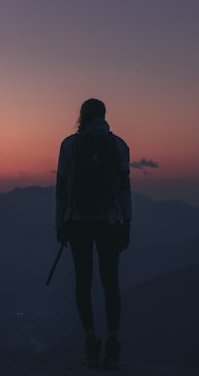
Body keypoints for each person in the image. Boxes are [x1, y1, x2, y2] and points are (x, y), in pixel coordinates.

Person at [55, 98, 132, 369]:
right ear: (104, 116)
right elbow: (124, 188)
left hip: (78, 222)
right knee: (110, 283)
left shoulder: (70, 145)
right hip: (110, 221)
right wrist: (127, 223)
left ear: (82, 117)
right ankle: (112, 344)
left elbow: (62, 187)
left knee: (83, 283)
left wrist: (60, 224)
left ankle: (90, 342)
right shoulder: (119, 145)